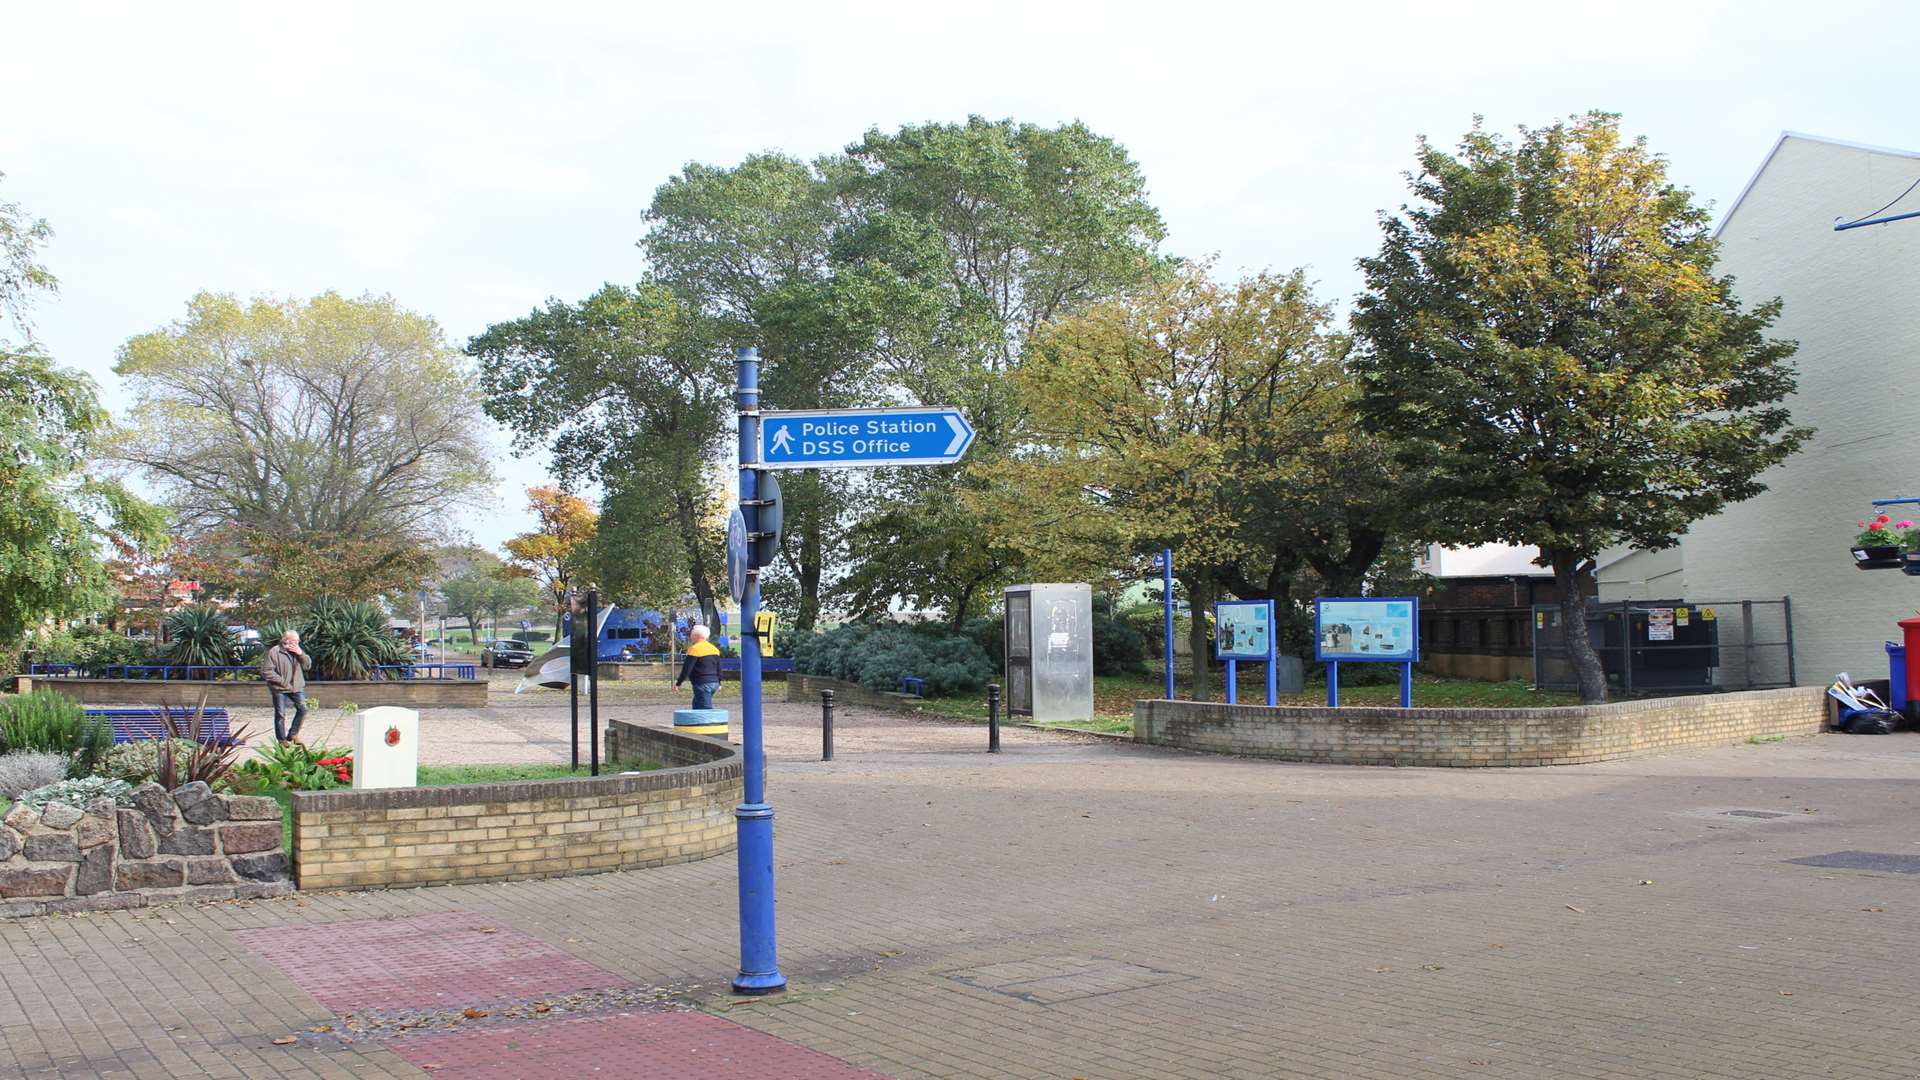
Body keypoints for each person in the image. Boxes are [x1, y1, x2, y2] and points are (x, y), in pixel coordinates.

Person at [260, 629, 313, 743]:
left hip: (297, 687)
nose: (297, 643)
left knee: (303, 709)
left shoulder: (297, 651)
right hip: (280, 688)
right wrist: (283, 682)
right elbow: (266, 671)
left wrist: (301, 654)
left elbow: (307, 666)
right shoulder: (274, 652)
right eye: (295, 641)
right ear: (286, 640)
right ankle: (281, 739)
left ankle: (293, 734)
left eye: (297, 641)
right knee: (280, 714)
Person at [673, 623, 722, 710]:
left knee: (705, 707)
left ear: (695, 636)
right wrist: (719, 682)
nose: (690, 636)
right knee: (697, 703)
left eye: (691, 634)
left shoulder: (694, 649)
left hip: (702, 683)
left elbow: (687, 668)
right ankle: (695, 723)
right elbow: (718, 667)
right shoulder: (714, 649)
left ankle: (708, 723)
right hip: (714, 682)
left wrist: (679, 683)